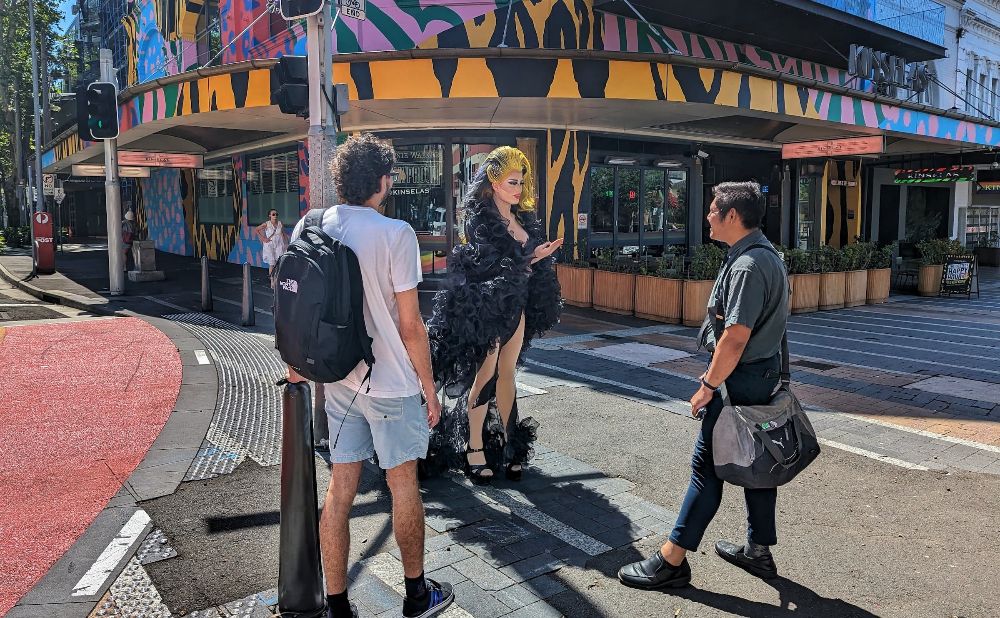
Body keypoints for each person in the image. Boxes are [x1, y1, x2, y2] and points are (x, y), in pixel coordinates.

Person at [286, 133, 454, 618]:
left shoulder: (310, 225)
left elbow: (296, 305)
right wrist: (430, 388)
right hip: (392, 383)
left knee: (340, 488)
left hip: (337, 380)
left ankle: (337, 605)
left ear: (340, 180)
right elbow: (410, 325)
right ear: (382, 182)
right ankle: (418, 595)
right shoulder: (395, 233)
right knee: (404, 485)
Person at [618, 181, 789, 589]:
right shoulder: (765, 255)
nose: (707, 217)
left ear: (732, 216)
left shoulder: (748, 265)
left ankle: (671, 560)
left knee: (706, 470)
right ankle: (757, 550)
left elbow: (735, 337)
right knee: (757, 463)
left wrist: (708, 385)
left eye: (713, 210)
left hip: (738, 380)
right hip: (760, 375)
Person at [426, 146, 563, 484]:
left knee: (507, 375)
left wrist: (537, 257)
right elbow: (486, 268)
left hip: (517, 307)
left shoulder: (523, 220)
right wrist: (528, 260)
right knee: (484, 377)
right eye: (513, 182)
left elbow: (518, 266)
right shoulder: (479, 222)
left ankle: (510, 445)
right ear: (494, 182)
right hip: (486, 310)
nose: (519, 189)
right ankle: (474, 448)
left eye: (521, 182)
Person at [256, 208, 288, 283]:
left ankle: (277, 279)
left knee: (279, 262)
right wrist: (263, 238)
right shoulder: (266, 224)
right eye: (273, 214)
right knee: (271, 263)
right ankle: (272, 281)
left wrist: (286, 243)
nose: (275, 216)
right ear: (269, 215)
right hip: (270, 245)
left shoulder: (280, 223)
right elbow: (256, 229)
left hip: (279, 244)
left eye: (276, 214)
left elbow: (283, 233)